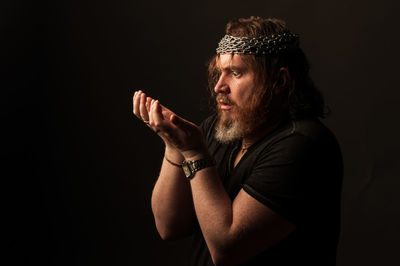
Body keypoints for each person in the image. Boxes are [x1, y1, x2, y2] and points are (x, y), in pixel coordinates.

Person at [133, 16, 343, 266]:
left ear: (279, 81)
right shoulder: (219, 129)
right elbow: (170, 226)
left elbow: (227, 248)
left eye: (236, 72)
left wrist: (194, 153)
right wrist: (174, 145)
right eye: (219, 73)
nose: (219, 87)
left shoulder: (303, 145)